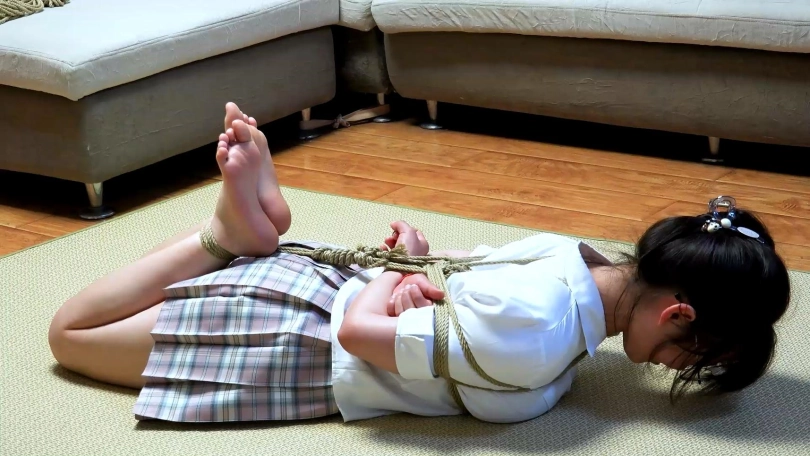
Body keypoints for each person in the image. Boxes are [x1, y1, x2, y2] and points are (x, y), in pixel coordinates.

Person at [47, 103, 791, 424]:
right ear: (678, 313)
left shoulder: (575, 257)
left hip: (314, 284)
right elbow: (358, 337)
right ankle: (222, 234)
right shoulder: (539, 337)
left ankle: (233, 239)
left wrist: (413, 267)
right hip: (293, 346)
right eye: (691, 357)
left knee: (93, 325)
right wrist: (395, 276)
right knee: (69, 334)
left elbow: (465, 269)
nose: (673, 368)